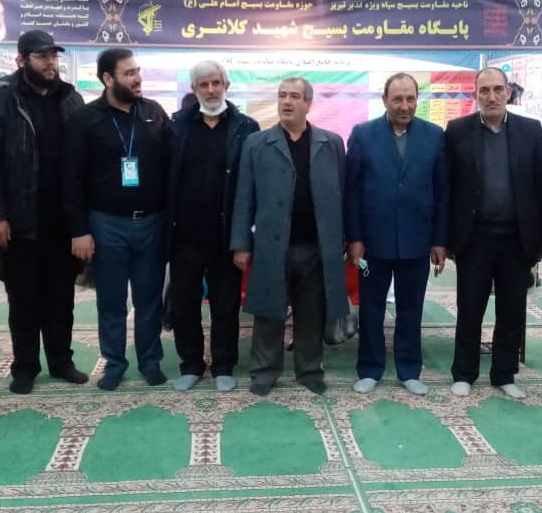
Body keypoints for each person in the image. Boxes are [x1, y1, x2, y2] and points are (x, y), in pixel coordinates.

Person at [0, 30, 88, 394]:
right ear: (21, 60)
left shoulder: (71, 98)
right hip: (19, 221)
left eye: (53, 56)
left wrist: (81, 222)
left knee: (61, 298)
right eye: (42, 57)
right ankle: (24, 366)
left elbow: (83, 163)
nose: (50, 63)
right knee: (23, 299)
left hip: (62, 220)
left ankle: (61, 361)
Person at [231, 77, 347, 396]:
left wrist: (347, 238)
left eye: (294, 96)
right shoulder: (257, 143)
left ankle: (309, 370)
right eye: (282, 95)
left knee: (312, 312)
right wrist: (240, 244)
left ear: (308, 103)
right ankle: (264, 371)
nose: (286, 102)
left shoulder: (331, 143)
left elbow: (344, 194)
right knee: (269, 310)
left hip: (316, 246)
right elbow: (244, 197)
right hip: (272, 245)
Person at [65, 48, 172, 390]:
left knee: (149, 298)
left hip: (151, 223)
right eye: (129, 73)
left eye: (137, 71)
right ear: (108, 79)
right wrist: (79, 230)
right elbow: (71, 179)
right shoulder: (85, 119)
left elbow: (172, 167)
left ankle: (150, 361)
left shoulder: (154, 112)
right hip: (106, 224)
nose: (137, 78)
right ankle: (114, 363)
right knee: (111, 299)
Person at [445, 68, 542, 399]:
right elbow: (448, 187)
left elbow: (541, 185)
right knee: (469, 308)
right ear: (475, 94)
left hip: (517, 239)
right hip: (474, 237)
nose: (491, 96)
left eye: (497, 90)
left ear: (508, 93)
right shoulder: (457, 131)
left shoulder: (530, 130)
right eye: (484, 90)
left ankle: (504, 374)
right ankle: (464, 373)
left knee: (512, 309)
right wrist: (446, 238)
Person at [345, 73, 447, 396]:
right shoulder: (363, 134)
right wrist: (355, 238)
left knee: (410, 309)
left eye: (410, 99)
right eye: (398, 99)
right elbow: (351, 191)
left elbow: (442, 191)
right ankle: (369, 368)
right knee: (371, 309)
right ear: (385, 100)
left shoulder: (434, 135)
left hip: (418, 239)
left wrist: (439, 240)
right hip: (373, 242)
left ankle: (409, 368)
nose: (405, 106)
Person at [167, 61, 259, 392]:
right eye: (203, 84)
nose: (211, 90)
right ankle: (191, 365)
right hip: (184, 237)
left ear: (226, 86)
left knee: (226, 305)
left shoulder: (246, 127)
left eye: (216, 83)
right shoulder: (176, 126)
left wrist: (245, 238)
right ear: (194, 89)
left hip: (227, 237)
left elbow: (253, 187)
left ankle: (223, 365)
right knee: (184, 305)